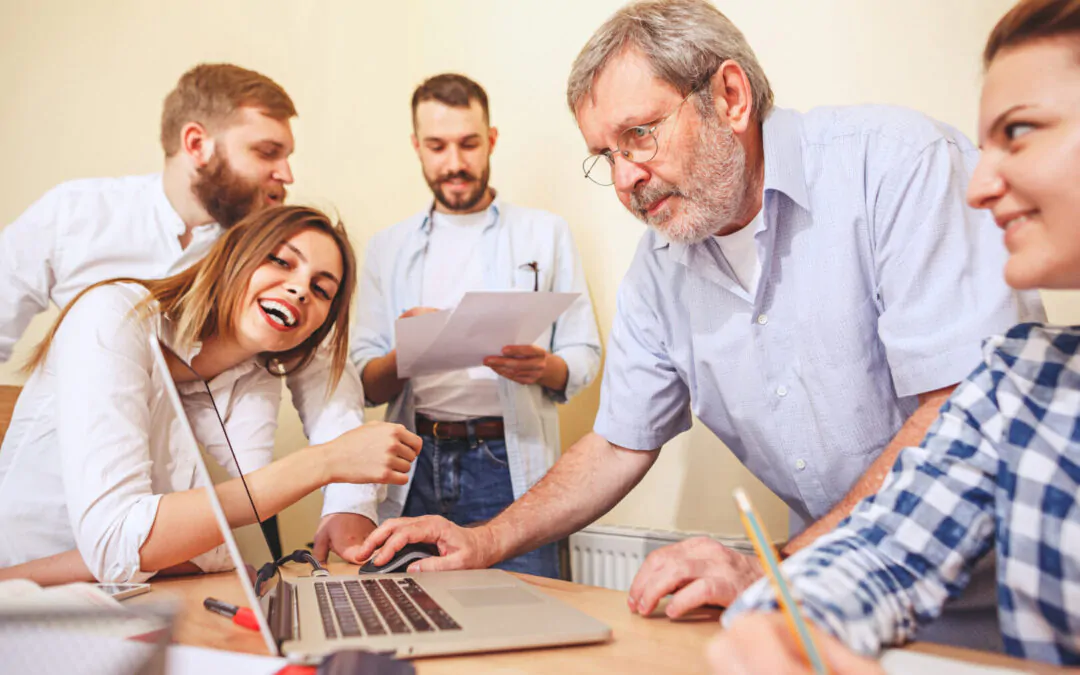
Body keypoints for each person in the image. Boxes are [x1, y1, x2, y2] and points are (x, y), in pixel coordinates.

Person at [356, 0, 1043, 647]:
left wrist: (777, 569)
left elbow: (961, 411)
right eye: (606, 156)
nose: (625, 180)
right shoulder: (660, 265)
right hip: (831, 605)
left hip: (1003, 606)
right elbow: (618, 443)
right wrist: (484, 540)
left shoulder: (897, 166)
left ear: (731, 97)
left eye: (639, 135)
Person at [710, 0, 1080, 669]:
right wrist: (782, 621)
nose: (979, 187)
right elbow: (883, 549)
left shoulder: (894, 157)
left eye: (1020, 131)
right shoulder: (1020, 383)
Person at [0, 63, 381, 560]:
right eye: (267, 152)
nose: (286, 174)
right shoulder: (77, 218)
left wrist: (350, 502)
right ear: (197, 144)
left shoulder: (270, 259)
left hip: (182, 540)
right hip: (63, 528)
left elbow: (328, 382)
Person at [0, 205, 421, 584]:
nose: (299, 290)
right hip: (30, 598)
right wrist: (325, 462)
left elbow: (226, 540)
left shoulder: (255, 375)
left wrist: (350, 505)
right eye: (281, 261)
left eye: (322, 289)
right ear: (234, 255)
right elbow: (118, 545)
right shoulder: (111, 317)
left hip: (137, 592)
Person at [333, 74, 601, 578]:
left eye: (469, 143)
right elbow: (364, 384)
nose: (454, 162)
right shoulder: (388, 248)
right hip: (414, 464)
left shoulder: (546, 233)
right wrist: (408, 354)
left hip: (510, 467)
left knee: (528, 610)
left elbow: (584, 353)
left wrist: (544, 368)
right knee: (411, 611)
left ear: (492, 140)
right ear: (417, 146)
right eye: (437, 146)